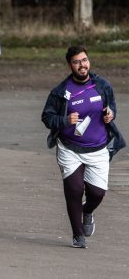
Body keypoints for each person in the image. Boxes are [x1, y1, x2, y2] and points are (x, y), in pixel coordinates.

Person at [41, 45, 125, 248]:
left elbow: (111, 104)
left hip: (98, 148)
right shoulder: (61, 91)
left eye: (84, 60)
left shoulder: (102, 85)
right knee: (74, 190)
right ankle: (77, 235)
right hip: (70, 148)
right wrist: (65, 120)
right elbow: (47, 117)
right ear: (70, 65)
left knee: (97, 193)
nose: (82, 65)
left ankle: (87, 212)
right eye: (77, 62)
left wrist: (110, 113)